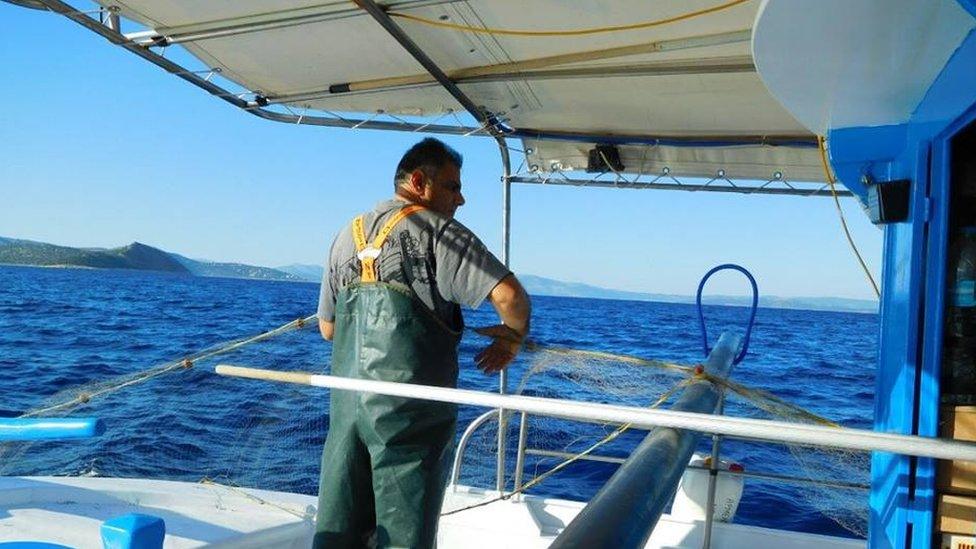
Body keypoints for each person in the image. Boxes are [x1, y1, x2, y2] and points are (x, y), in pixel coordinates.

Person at [313, 137, 531, 548]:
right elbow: (511, 298)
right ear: (419, 181)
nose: (461, 199)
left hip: (347, 417)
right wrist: (513, 339)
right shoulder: (439, 233)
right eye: (452, 186)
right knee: (405, 535)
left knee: (339, 533)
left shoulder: (347, 234)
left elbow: (329, 329)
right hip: (409, 421)